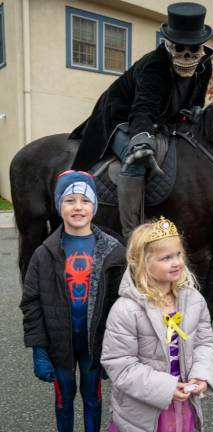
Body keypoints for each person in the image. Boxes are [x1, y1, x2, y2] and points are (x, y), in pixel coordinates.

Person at [70, 2, 213, 239]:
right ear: (169, 44)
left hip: (162, 123)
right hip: (120, 117)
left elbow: (196, 102)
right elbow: (142, 109)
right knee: (136, 159)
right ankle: (131, 236)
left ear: (201, 47)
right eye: (180, 48)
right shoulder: (153, 66)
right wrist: (141, 142)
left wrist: (195, 112)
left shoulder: (204, 65)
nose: (187, 55)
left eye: (193, 49)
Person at [20, 170, 126, 432]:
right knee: (63, 400)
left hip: (94, 346)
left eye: (85, 200)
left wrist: (115, 349)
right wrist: (38, 348)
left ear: (95, 206)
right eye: (69, 200)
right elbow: (31, 302)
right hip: (59, 346)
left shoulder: (114, 251)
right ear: (59, 205)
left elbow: (121, 303)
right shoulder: (44, 253)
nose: (78, 207)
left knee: (93, 398)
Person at [101, 216, 213, 432]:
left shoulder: (194, 300)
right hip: (142, 410)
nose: (176, 262)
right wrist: (166, 387)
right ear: (143, 263)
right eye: (165, 258)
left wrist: (201, 374)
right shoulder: (126, 310)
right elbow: (120, 364)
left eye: (178, 254)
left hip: (183, 406)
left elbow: (204, 344)